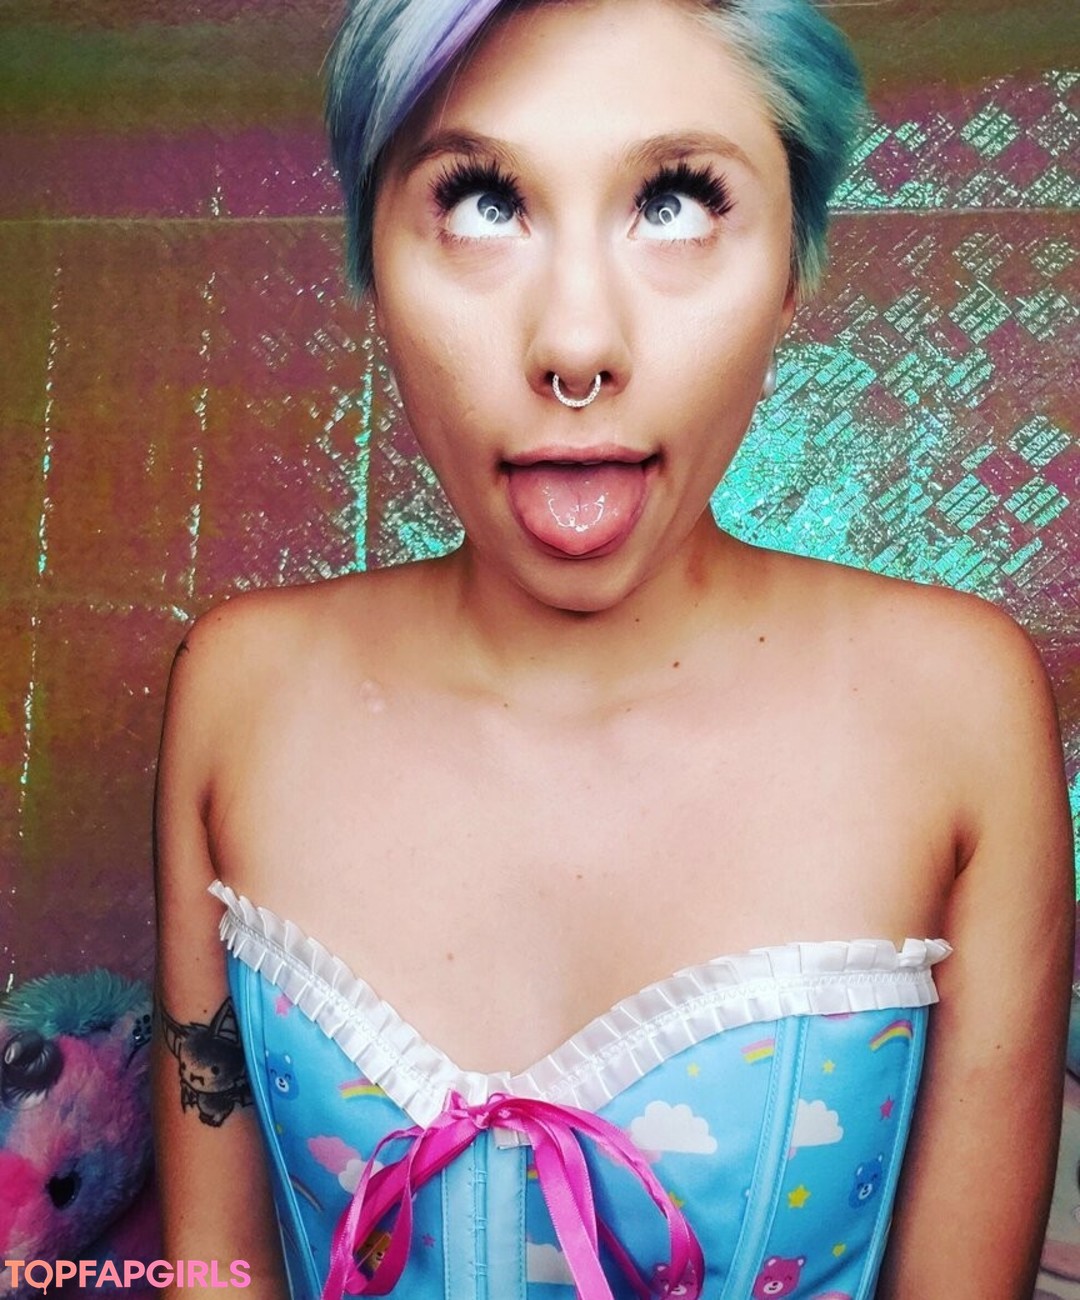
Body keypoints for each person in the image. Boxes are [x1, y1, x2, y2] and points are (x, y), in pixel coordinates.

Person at [151, 0, 1074, 1296]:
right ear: (368, 258)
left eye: (675, 201)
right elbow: (212, 1270)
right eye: (483, 203)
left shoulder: (956, 712)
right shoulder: (241, 695)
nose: (576, 345)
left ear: (796, 264)